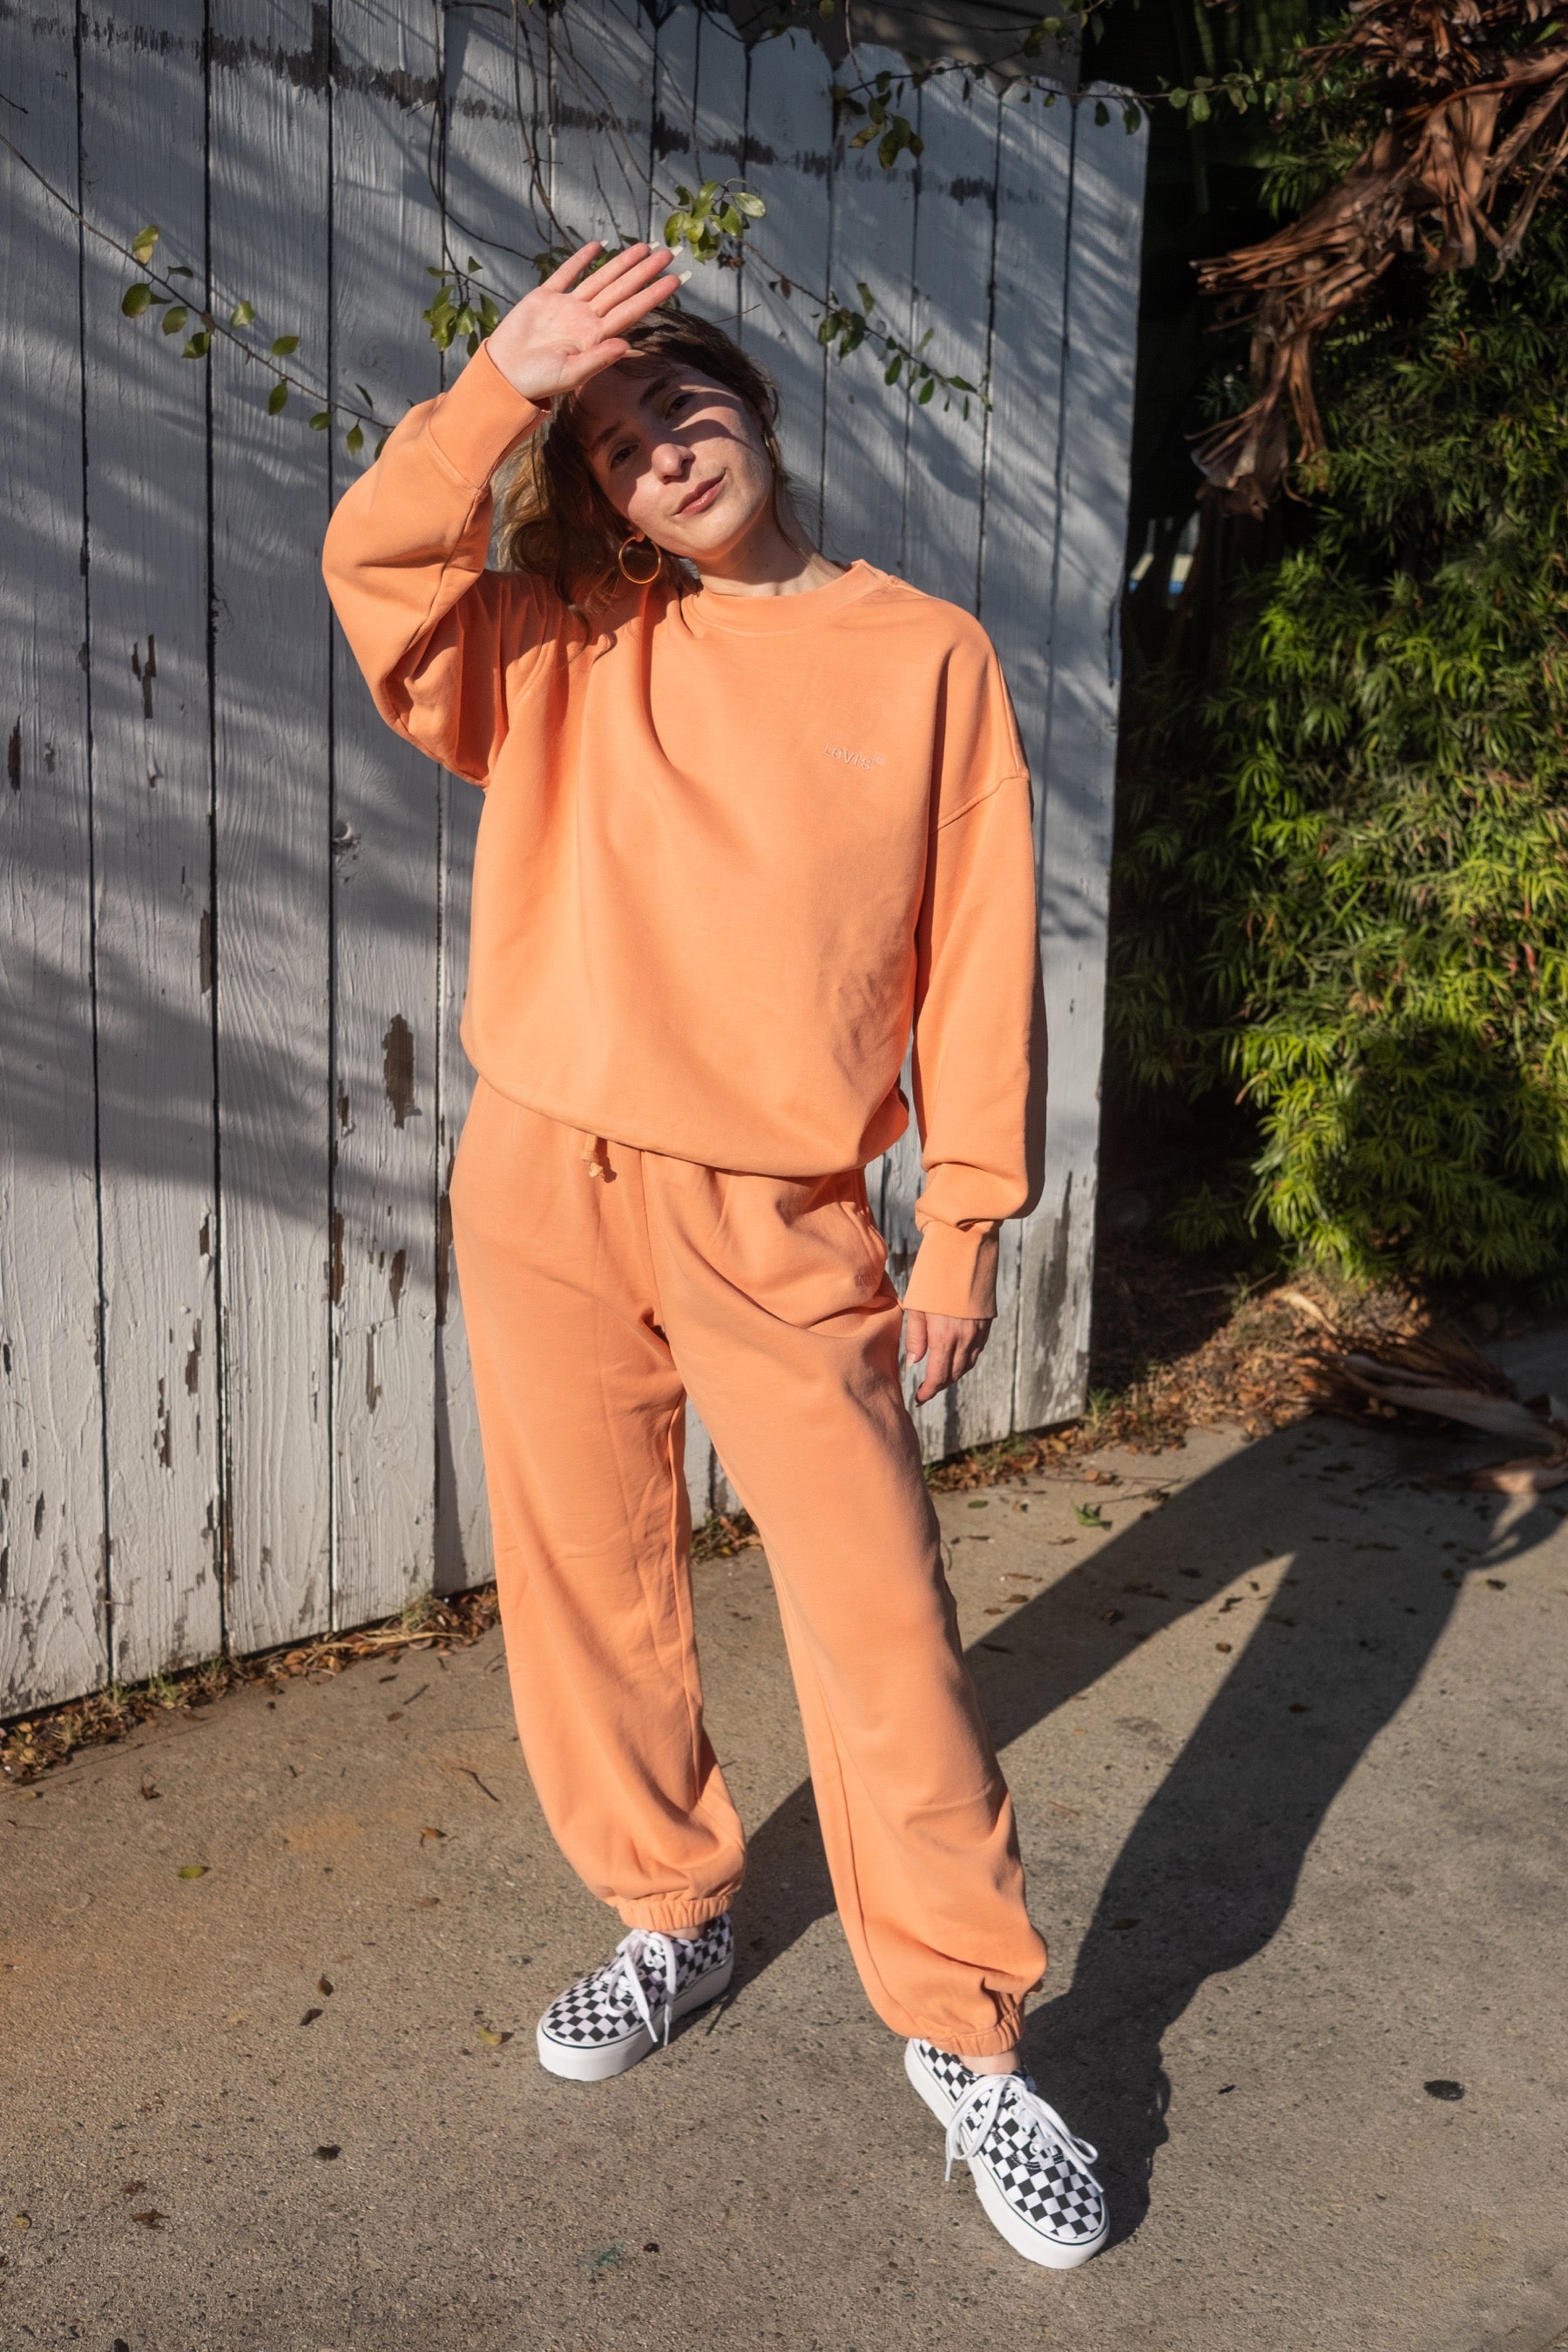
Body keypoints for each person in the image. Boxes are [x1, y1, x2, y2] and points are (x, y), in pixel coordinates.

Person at [322, 239, 1106, 2270]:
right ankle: (668, 1912)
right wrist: (502, 388)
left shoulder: (924, 655)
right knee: (589, 1583)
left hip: (781, 1215)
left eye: (681, 403)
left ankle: (968, 2037)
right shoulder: (565, 643)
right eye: (613, 442)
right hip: (546, 1172)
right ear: (595, 495)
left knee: (882, 1627)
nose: (660, 448)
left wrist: (966, 1224)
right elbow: (378, 571)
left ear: (752, 409)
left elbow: (981, 959)